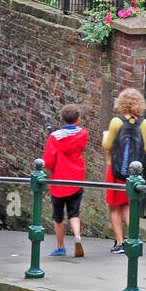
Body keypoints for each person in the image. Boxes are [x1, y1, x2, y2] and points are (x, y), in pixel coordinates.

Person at [103, 88, 146, 253]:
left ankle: (120, 242)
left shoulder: (116, 122)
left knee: (114, 207)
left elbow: (107, 145)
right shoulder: (145, 124)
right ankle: (134, 239)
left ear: (121, 103)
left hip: (115, 170)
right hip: (134, 174)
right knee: (128, 205)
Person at [42, 104, 88, 257]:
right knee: (74, 212)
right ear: (78, 119)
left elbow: (48, 162)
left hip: (59, 181)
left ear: (63, 118)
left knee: (58, 216)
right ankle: (77, 236)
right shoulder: (82, 133)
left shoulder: (54, 137)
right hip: (76, 178)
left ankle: (60, 246)